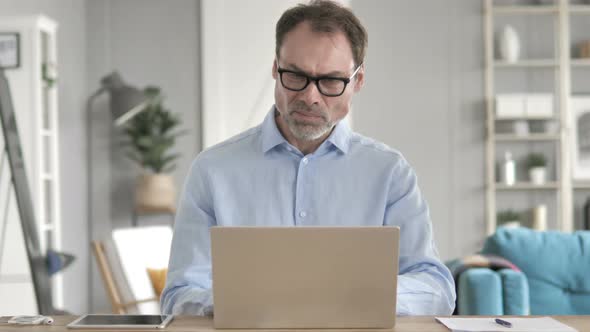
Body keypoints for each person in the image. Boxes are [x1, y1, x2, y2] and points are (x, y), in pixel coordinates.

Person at [161, 0, 455, 316]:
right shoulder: (212, 171)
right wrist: (243, 303)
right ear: (275, 69)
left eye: (330, 81)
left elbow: (436, 288)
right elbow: (178, 296)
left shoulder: (390, 173)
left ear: (357, 81)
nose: (309, 97)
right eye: (295, 75)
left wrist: (360, 298)